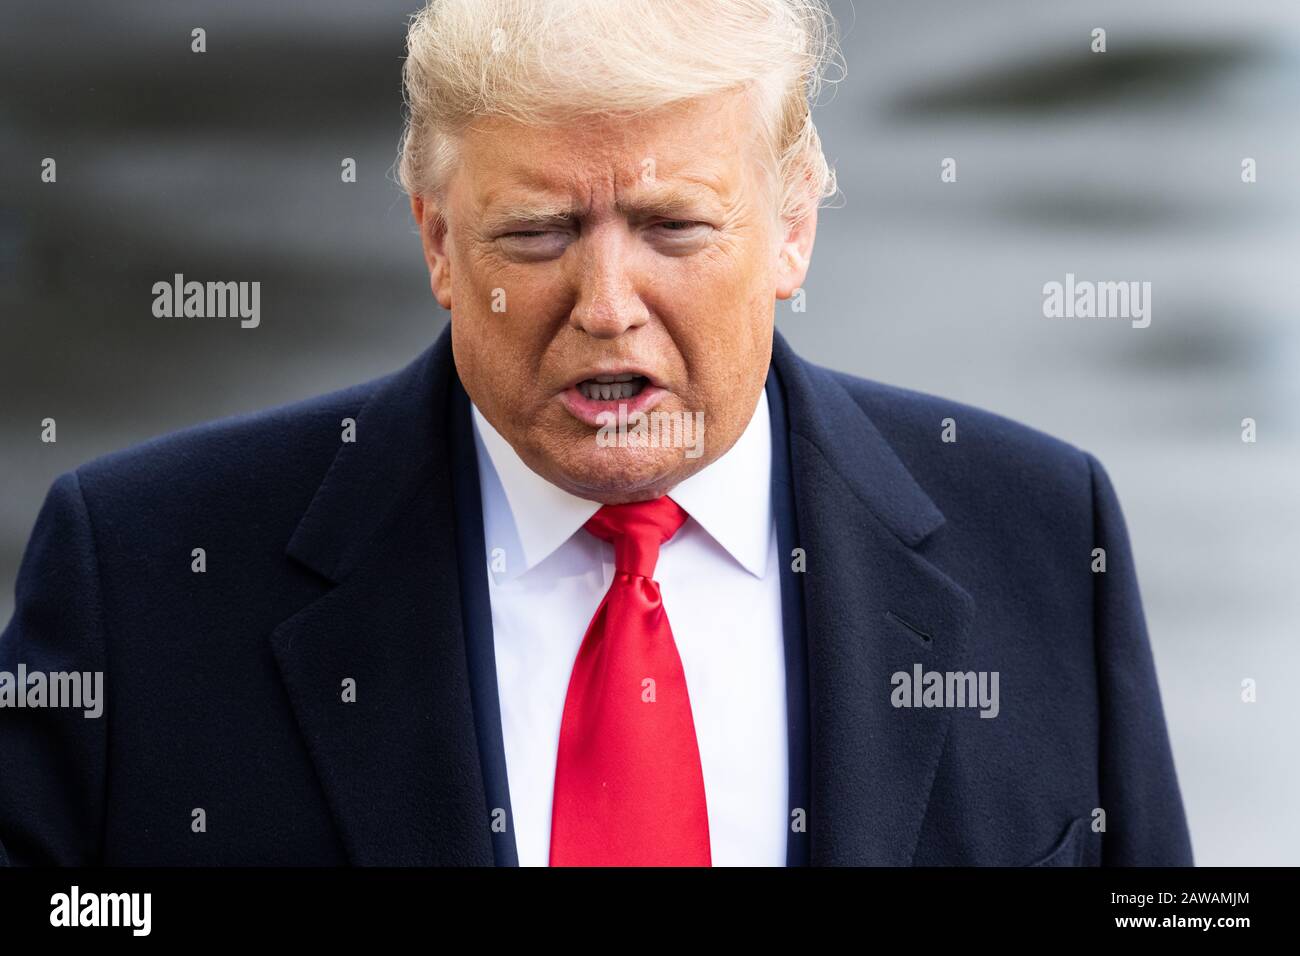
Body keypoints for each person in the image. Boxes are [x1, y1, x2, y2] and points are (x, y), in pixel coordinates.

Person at [0, 0, 1191, 866]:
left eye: (672, 226)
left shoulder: (1042, 531)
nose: (606, 303)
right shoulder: (141, 570)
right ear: (434, 240)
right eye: (535, 233)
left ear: (791, 230)